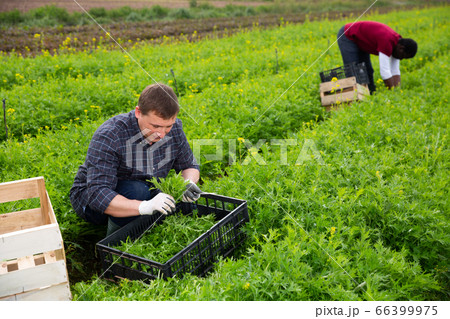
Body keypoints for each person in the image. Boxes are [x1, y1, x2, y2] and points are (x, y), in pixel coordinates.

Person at [70, 83, 202, 235]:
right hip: (93, 201)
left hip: (146, 188)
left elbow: (189, 164)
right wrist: (144, 207)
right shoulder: (110, 135)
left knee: (180, 203)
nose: (162, 134)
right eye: (156, 126)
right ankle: (116, 243)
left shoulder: (175, 127)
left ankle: (141, 219)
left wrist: (188, 182)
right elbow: (97, 193)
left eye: (168, 126)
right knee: (137, 190)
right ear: (138, 112)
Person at [337, 21, 417, 93]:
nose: (401, 59)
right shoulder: (387, 41)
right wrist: (392, 93)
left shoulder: (397, 45)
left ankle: (370, 94)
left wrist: (397, 91)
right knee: (353, 71)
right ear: (401, 48)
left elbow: (395, 70)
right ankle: (353, 100)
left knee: (367, 70)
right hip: (347, 35)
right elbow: (385, 72)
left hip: (362, 41)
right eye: (403, 56)